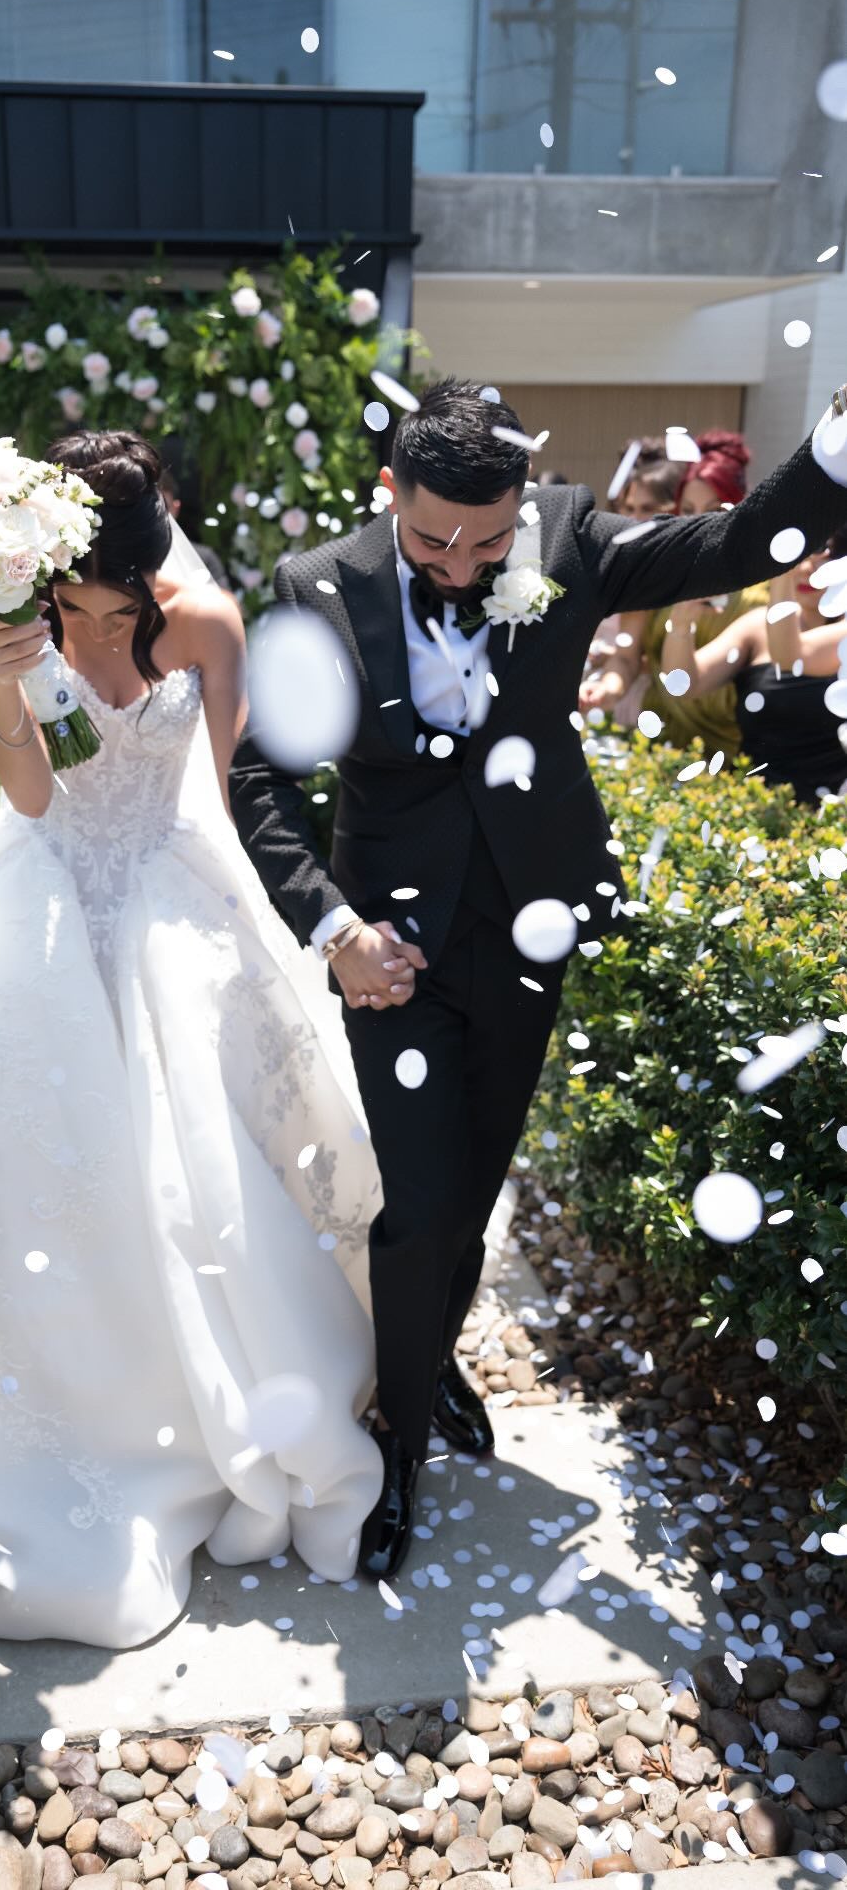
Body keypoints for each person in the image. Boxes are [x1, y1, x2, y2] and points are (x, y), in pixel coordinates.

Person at [229, 377, 847, 1581]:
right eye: (430, 540)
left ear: (524, 507)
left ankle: (428, 1355)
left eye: (486, 542)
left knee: (468, 1192)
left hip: (526, 932)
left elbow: (737, 543)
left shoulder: (568, 538)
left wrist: (836, 445)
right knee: (415, 1203)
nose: (459, 567)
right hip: (392, 957)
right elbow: (261, 780)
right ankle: (399, 1446)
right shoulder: (317, 588)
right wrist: (336, 927)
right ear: (387, 493)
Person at [0, 429, 384, 1649]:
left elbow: (219, 792)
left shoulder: (204, 622)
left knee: (193, 1171)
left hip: (163, 885)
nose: (89, 629)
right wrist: (10, 678)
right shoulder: (24, 616)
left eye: (111, 608)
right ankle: (52, 1417)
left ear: (152, 575)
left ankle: (213, 1407)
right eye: (70, 603)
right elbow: (35, 793)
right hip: (41, 892)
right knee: (28, 1176)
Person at [580, 432, 768, 755]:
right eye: (690, 510)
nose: (702, 521)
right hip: (655, 748)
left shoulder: (761, 596)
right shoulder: (655, 576)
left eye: (716, 509)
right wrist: (607, 689)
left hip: (731, 764)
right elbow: (626, 657)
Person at [659, 528, 847, 803]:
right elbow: (682, 685)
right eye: (800, 554)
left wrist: (782, 570)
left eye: (823, 554)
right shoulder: (757, 626)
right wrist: (681, 621)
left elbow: (791, 657)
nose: (807, 567)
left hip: (831, 820)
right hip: (752, 812)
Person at [581, 457, 681, 728]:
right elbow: (627, 656)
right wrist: (607, 688)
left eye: (647, 509)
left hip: (699, 707)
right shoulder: (629, 571)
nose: (634, 520)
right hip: (635, 705)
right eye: (629, 508)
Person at [158, 462, 233, 591]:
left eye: (163, 507)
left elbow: (224, 604)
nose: (156, 517)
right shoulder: (124, 560)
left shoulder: (204, 558)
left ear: (176, 509)